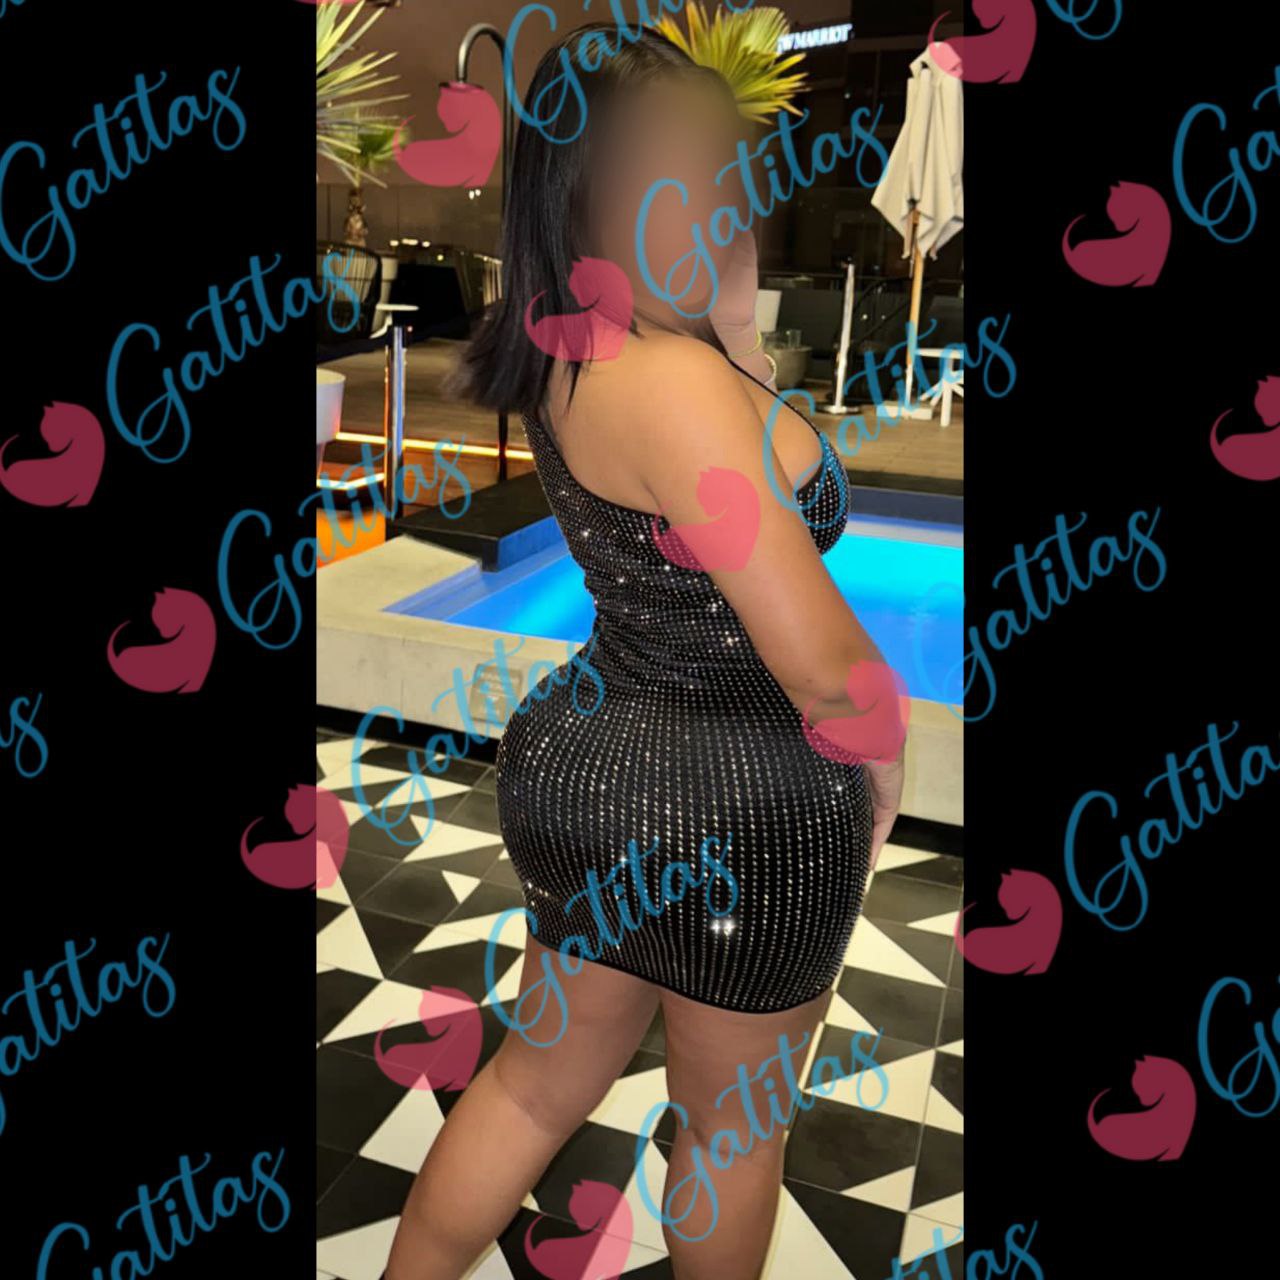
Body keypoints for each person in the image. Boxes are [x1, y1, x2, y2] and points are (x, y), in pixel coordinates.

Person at [384, 24, 904, 1280]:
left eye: (717, 164)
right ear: (578, 184)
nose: (708, 196)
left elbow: (714, 473)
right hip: (739, 805)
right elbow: (818, 663)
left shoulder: (575, 345)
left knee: (533, 1084)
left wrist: (730, 331)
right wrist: (884, 764)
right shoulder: (673, 379)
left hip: (590, 770)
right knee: (729, 1131)